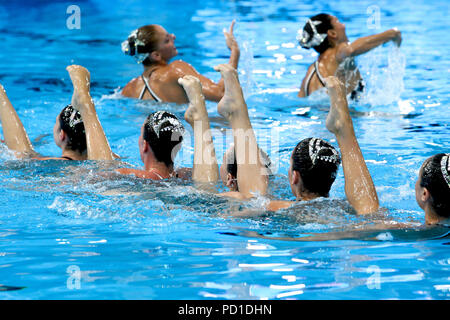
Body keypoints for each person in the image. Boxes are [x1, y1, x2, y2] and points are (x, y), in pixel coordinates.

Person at [0, 65, 113, 161]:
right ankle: (86, 104)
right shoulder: (112, 156)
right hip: (104, 179)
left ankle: (85, 103)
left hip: (88, 180)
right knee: (104, 170)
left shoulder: (53, 165)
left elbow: (19, 150)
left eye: (55, 123)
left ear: (62, 135)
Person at [121, 21, 240, 103]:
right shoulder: (176, 70)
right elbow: (221, 94)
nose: (174, 37)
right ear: (156, 55)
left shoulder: (129, 89)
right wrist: (234, 51)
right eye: (167, 40)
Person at [296, 13, 402, 99]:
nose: (344, 25)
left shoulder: (310, 72)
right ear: (332, 34)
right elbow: (349, 50)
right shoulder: (338, 52)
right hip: (342, 118)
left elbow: (301, 100)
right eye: (338, 21)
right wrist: (392, 34)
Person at [116, 111, 186, 180]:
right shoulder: (187, 174)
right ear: (179, 146)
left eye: (141, 134)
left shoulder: (126, 174)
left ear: (144, 145)